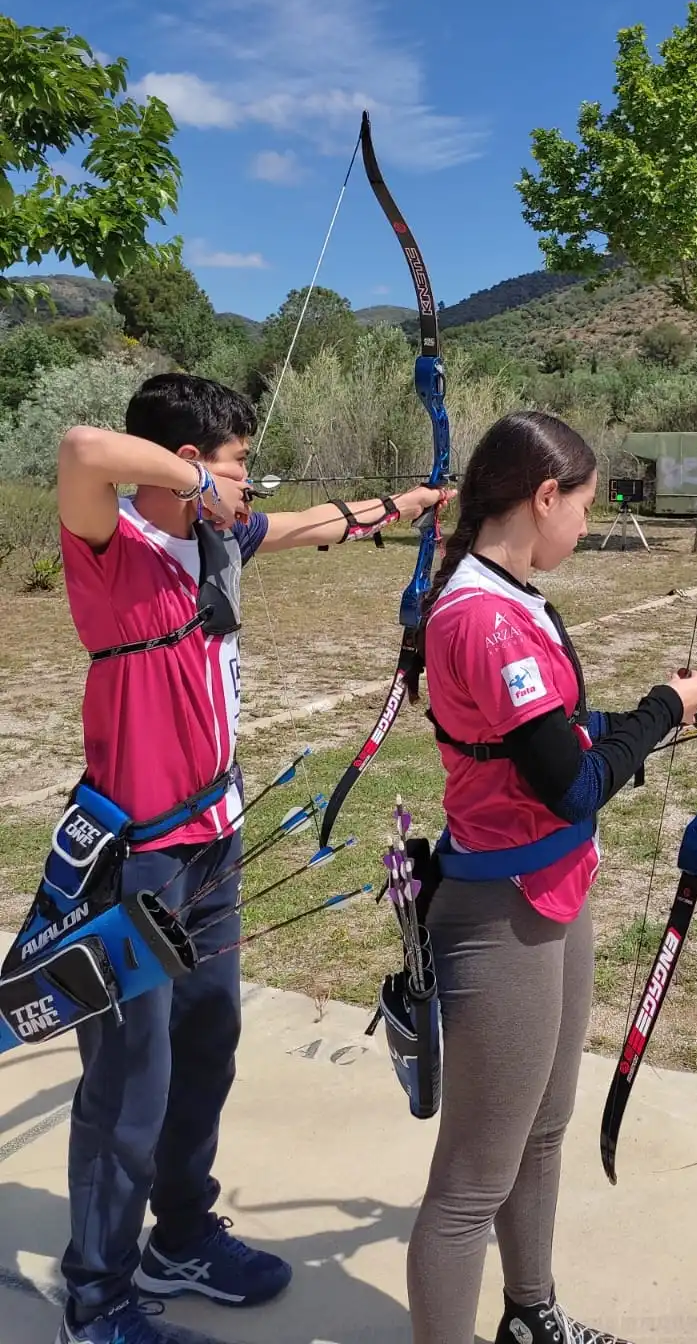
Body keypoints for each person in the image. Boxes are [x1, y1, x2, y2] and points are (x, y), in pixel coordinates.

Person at [49, 371, 450, 1344]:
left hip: (214, 844)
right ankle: (95, 1296)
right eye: (235, 471)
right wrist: (193, 484)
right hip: (135, 858)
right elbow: (79, 450)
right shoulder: (114, 546)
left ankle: (178, 1234)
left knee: (208, 1043)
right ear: (186, 468)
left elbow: (321, 523)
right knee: (128, 1080)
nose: (249, 493)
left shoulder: (218, 543)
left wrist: (416, 504)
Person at [404, 410, 697, 1344]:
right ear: (543, 496)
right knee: (472, 1180)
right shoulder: (484, 617)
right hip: (501, 913)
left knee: (545, 1128)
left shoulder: (511, 597)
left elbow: (554, 735)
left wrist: (686, 712)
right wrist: (657, 707)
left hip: (553, 894)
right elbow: (572, 788)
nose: (587, 525)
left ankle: (530, 1316)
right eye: (584, 506)